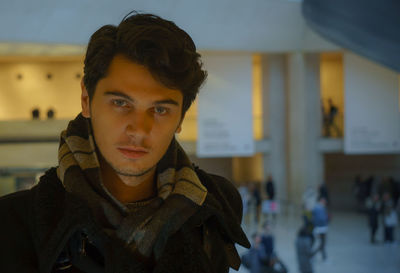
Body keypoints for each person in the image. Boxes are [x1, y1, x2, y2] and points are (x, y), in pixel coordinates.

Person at [0, 12, 250, 273]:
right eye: (121, 103)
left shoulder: (216, 208)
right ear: (86, 99)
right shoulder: (13, 224)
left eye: (161, 110)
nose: (139, 130)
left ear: (180, 118)